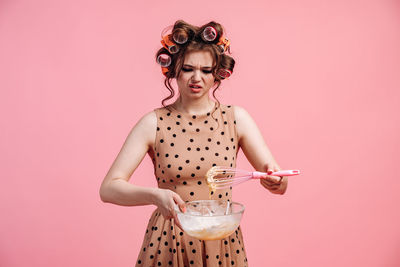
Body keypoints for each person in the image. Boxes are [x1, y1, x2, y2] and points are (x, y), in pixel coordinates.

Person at [99, 20, 288, 267]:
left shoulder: (237, 119)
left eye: (206, 70)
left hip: (220, 239)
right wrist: (156, 196)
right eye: (188, 68)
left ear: (217, 74)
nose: (196, 78)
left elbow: (276, 178)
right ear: (174, 69)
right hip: (169, 240)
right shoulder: (153, 123)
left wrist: (276, 180)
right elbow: (109, 189)